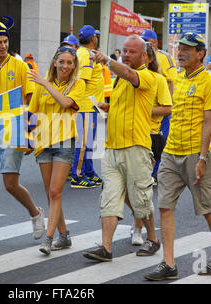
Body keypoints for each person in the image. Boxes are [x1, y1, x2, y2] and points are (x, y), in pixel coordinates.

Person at [145, 32, 211, 281]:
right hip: (171, 153)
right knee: (164, 206)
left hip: (195, 154)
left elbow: (208, 124)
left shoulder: (209, 82)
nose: (180, 52)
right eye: (180, 48)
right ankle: (168, 264)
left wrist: (203, 159)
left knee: (207, 208)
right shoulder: (179, 79)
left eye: (187, 49)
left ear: (200, 54)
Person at [82, 35, 160, 262]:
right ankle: (106, 247)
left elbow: (129, 74)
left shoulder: (146, 76)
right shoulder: (118, 79)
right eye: (124, 51)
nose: (126, 55)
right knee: (109, 198)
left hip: (136, 147)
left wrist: (106, 60)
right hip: (113, 148)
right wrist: (108, 106)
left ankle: (153, 239)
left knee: (141, 199)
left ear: (144, 56)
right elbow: (123, 102)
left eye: (132, 52)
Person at [0, 16, 45, 245]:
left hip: (14, 130)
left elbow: (31, 101)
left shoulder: (20, 66)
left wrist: (30, 133)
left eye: (5, 41)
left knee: (10, 184)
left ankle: (35, 212)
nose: (3, 46)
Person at [27, 46, 84, 255]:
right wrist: (26, 138)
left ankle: (48, 240)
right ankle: (64, 235)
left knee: (55, 192)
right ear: (55, 62)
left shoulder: (78, 84)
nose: (65, 66)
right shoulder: (43, 84)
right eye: (62, 62)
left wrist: (43, 83)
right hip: (43, 145)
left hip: (64, 143)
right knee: (51, 194)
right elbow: (31, 114)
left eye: (70, 62)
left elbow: (65, 102)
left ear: (74, 65)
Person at [126, 43, 172, 247]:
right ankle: (139, 217)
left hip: (150, 136)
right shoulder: (128, 77)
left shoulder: (158, 80)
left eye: (142, 55)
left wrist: (145, 110)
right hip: (127, 136)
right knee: (124, 189)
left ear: (149, 59)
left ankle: (138, 228)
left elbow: (167, 108)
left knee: (138, 187)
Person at [70, 25, 103, 189]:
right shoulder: (87, 55)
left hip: (90, 105)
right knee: (83, 143)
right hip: (86, 105)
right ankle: (77, 175)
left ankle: (88, 171)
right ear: (93, 39)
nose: (97, 38)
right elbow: (82, 80)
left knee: (88, 142)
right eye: (96, 36)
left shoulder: (83, 53)